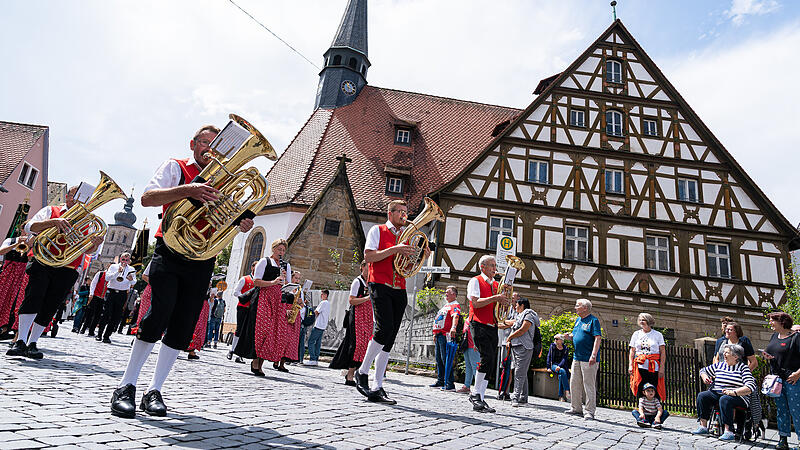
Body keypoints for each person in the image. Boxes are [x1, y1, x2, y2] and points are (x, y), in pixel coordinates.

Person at [111, 124, 254, 418]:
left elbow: (224, 217)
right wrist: (189, 189)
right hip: (170, 249)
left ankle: (155, 390)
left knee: (183, 324)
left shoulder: (226, 180)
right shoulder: (176, 167)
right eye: (204, 142)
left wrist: (239, 221)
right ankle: (126, 386)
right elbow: (148, 198)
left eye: (216, 145)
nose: (209, 149)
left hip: (202, 257)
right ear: (193, 144)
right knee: (158, 315)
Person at [7, 186, 103, 360]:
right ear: (67, 197)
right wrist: (54, 222)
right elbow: (29, 227)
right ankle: (20, 340)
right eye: (77, 196)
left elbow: (87, 251)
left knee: (50, 305)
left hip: (67, 267)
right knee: (33, 298)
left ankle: (33, 342)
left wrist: (95, 244)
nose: (81, 200)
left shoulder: (87, 221)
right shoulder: (51, 210)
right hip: (43, 261)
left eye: (85, 198)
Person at [355, 199, 423, 405]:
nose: (405, 215)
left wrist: (419, 255)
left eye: (406, 212)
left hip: (399, 287)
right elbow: (369, 258)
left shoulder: (407, 236)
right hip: (379, 284)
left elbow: (408, 264)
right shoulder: (378, 230)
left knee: (391, 336)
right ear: (390, 213)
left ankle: (377, 386)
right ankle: (362, 371)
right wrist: (396, 249)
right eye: (401, 212)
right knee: (383, 330)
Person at [234, 239, 289, 375]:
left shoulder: (286, 266)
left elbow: (287, 284)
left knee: (271, 331)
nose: (281, 252)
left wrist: (285, 282)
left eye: (283, 250)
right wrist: (273, 282)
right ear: (273, 249)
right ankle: (255, 361)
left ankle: (261, 363)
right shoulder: (264, 261)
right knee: (261, 329)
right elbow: (256, 282)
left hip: (278, 301)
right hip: (263, 298)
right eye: (279, 249)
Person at [466, 255, 508, 413]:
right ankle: (475, 394)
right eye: (491, 265)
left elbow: (497, 305)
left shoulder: (496, 284)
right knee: (487, 357)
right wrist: (496, 298)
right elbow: (476, 303)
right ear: (482, 267)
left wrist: (504, 301)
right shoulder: (475, 280)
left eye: (495, 265)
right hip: (478, 323)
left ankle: (481, 397)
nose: (494, 268)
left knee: (491, 362)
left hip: (493, 325)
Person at [693, 343, 757, 441]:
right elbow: (703, 371)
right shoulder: (720, 365)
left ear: (735, 356)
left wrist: (733, 392)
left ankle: (729, 431)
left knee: (725, 399)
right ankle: (703, 426)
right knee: (702, 396)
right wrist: (705, 377)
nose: (723, 354)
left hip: (738, 397)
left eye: (727, 353)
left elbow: (750, 386)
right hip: (718, 393)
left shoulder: (743, 368)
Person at [764, 311, 800, 450]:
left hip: (793, 380)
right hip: (777, 380)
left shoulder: (796, 337)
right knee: (781, 410)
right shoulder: (774, 336)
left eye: (773, 320)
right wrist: (767, 356)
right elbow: (773, 352)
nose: (770, 323)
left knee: (796, 410)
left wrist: (798, 374)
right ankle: (783, 440)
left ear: (782, 322)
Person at [330, 261, 371, 385]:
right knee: (356, 344)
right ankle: (350, 374)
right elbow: (352, 300)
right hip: (357, 316)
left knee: (365, 345)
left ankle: (357, 372)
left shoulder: (371, 282)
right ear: (363, 267)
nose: (370, 269)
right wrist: (367, 298)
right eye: (369, 266)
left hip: (368, 316)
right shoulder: (357, 282)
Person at [564, 298, 602, 420]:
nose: (575, 307)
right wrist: (568, 337)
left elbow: (597, 338)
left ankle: (589, 411)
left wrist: (594, 355)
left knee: (589, 385)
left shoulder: (593, 321)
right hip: (577, 357)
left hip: (588, 358)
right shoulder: (578, 320)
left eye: (577, 305)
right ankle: (576, 408)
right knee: (574, 383)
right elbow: (575, 335)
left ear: (585, 308)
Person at [503, 296, 539, 407]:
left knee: (519, 372)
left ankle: (515, 398)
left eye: (517, 305)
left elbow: (523, 329)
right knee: (521, 372)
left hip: (524, 347)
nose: (515, 307)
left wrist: (510, 337)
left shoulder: (528, 315)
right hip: (517, 346)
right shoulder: (520, 316)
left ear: (522, 305)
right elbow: (510, 325)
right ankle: (523, 397)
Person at [96, 252, 136, 344]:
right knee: (106, 313)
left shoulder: (131, 269)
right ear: (120, 259)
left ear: (129, 261)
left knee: (116, 316)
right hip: (111, 291)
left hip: (122, 294)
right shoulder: (113, 267)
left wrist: (131, 280)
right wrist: (117, 272)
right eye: (123, 259)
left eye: (126, 260)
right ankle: (99, 334)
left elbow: (134, 282)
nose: (124, 262)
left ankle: (107, 335)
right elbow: (107, 278)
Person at [628, 313, 666, 400]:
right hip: (639, 365)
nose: (641, 322)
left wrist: (662, 367)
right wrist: (630, 365)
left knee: (653, 387)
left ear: (649, 321)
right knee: (640, 386)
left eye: (643, 320)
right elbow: (632, 351)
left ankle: (654, 409)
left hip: (653, 366)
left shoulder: (658, 335)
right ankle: (641, 409)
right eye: (640, 320)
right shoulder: (636, 334)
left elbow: (662, 352)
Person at [430, 286, 461, 390]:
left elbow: (455, 316)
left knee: (445, 359)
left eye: (448, 292)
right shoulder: (446, 305)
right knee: (439, 359)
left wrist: (453, 327)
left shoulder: (455, 305)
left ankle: (450, 383)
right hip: (439, 335)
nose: (446, 294)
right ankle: (440, 380)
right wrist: (435, 333)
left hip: (445, 335)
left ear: (454, 294)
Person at [0, 233, 30, 336]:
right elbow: (1, 252)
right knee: (2, 299)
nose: (27, 233)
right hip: (8, 274)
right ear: (21, 230)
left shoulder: (32, 243)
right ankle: (2, 326)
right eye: (25, 230)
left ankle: (12, 330)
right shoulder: (10, 240)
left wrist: (29, 245)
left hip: (22, 275)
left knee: (17, 302)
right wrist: (16, 244)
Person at [229, 261, 256, 362]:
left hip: (252, 309)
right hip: (243, 307)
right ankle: (232, 350)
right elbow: (236, 291)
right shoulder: (245, 279)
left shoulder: (259, 280)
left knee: (247, 331)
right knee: (239, 329)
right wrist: (244, 296)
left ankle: (240, 353)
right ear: (252, 268)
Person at [305, 289, 331, 366]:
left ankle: (312, 358)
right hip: (323, 325)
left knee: (311, 341)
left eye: (322, 294)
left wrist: (308, 312)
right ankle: (315, 359)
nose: (321, 296)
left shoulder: (323, 302)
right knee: (318, 343)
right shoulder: (328, 303)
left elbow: (316, 312)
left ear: (326, 295)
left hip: (319, 325)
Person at [81, 265, 108, 336]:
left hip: (102, 298)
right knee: (90, 313)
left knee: (98, 315)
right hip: (95, 296)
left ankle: (91, 331)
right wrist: (91, 294)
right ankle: (83, 329)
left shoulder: (111, 277)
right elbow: (93, 283)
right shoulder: (100, 274)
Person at [186, 292, 211, 360]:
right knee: (196, 327)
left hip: (203, 306)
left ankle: (191, 350)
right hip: (199, 305)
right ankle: (188, 349)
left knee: (199, 328)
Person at [547, 334, 572, 402]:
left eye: (557, 339)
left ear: (561, 340)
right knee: (563, 371)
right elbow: (549, 356)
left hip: (562, 365)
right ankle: (567, 391)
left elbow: (564, 359)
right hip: (554, 365)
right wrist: (548, 367)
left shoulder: (565, 348)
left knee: (561, 375)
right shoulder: (552, 346)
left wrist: (559, 366)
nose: (555, 340)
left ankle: (561, 396)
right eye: (555, 339)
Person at [458, 317, 479, 394]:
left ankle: (478, 388)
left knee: (475, 367)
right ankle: (466, 386)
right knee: (468, 367)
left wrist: (476, 344)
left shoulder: (476, 318)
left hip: (473, 346)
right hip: (466, 345)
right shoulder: (469, 318)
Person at [131, 261, 152, 336]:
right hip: (151, 292)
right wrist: (157, 284)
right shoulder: (155, 260)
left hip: (165, 294)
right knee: (143, 317)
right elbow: (144, 276)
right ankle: (138, 336)